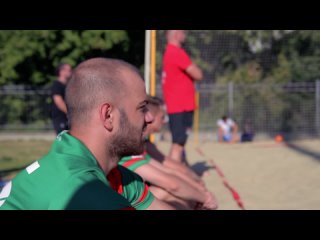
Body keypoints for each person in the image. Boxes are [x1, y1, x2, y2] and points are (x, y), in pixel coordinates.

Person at [0, 58, 173, 210]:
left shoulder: (112, 174)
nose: (149, 118)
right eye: (142, 108)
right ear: (108, 116)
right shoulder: (80, 189)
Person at [162, 30, 203, 164]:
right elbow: (198, 74)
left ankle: (181, 168)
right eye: (182, 32)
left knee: (180, 143)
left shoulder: (171, 52)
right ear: (175, 34)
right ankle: (172, 175)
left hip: (180, 105)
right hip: (180, 106)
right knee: (178, 144)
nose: (185, 34)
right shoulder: (176, 52)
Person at [51, 63, 72, 135]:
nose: (71, 72)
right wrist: (69, 112)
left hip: (68, 117)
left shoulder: (68, 85)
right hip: (60, 117)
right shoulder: (57, 85)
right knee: (63, 139)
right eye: (69, 70)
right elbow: (58, 101)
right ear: (61, 71)